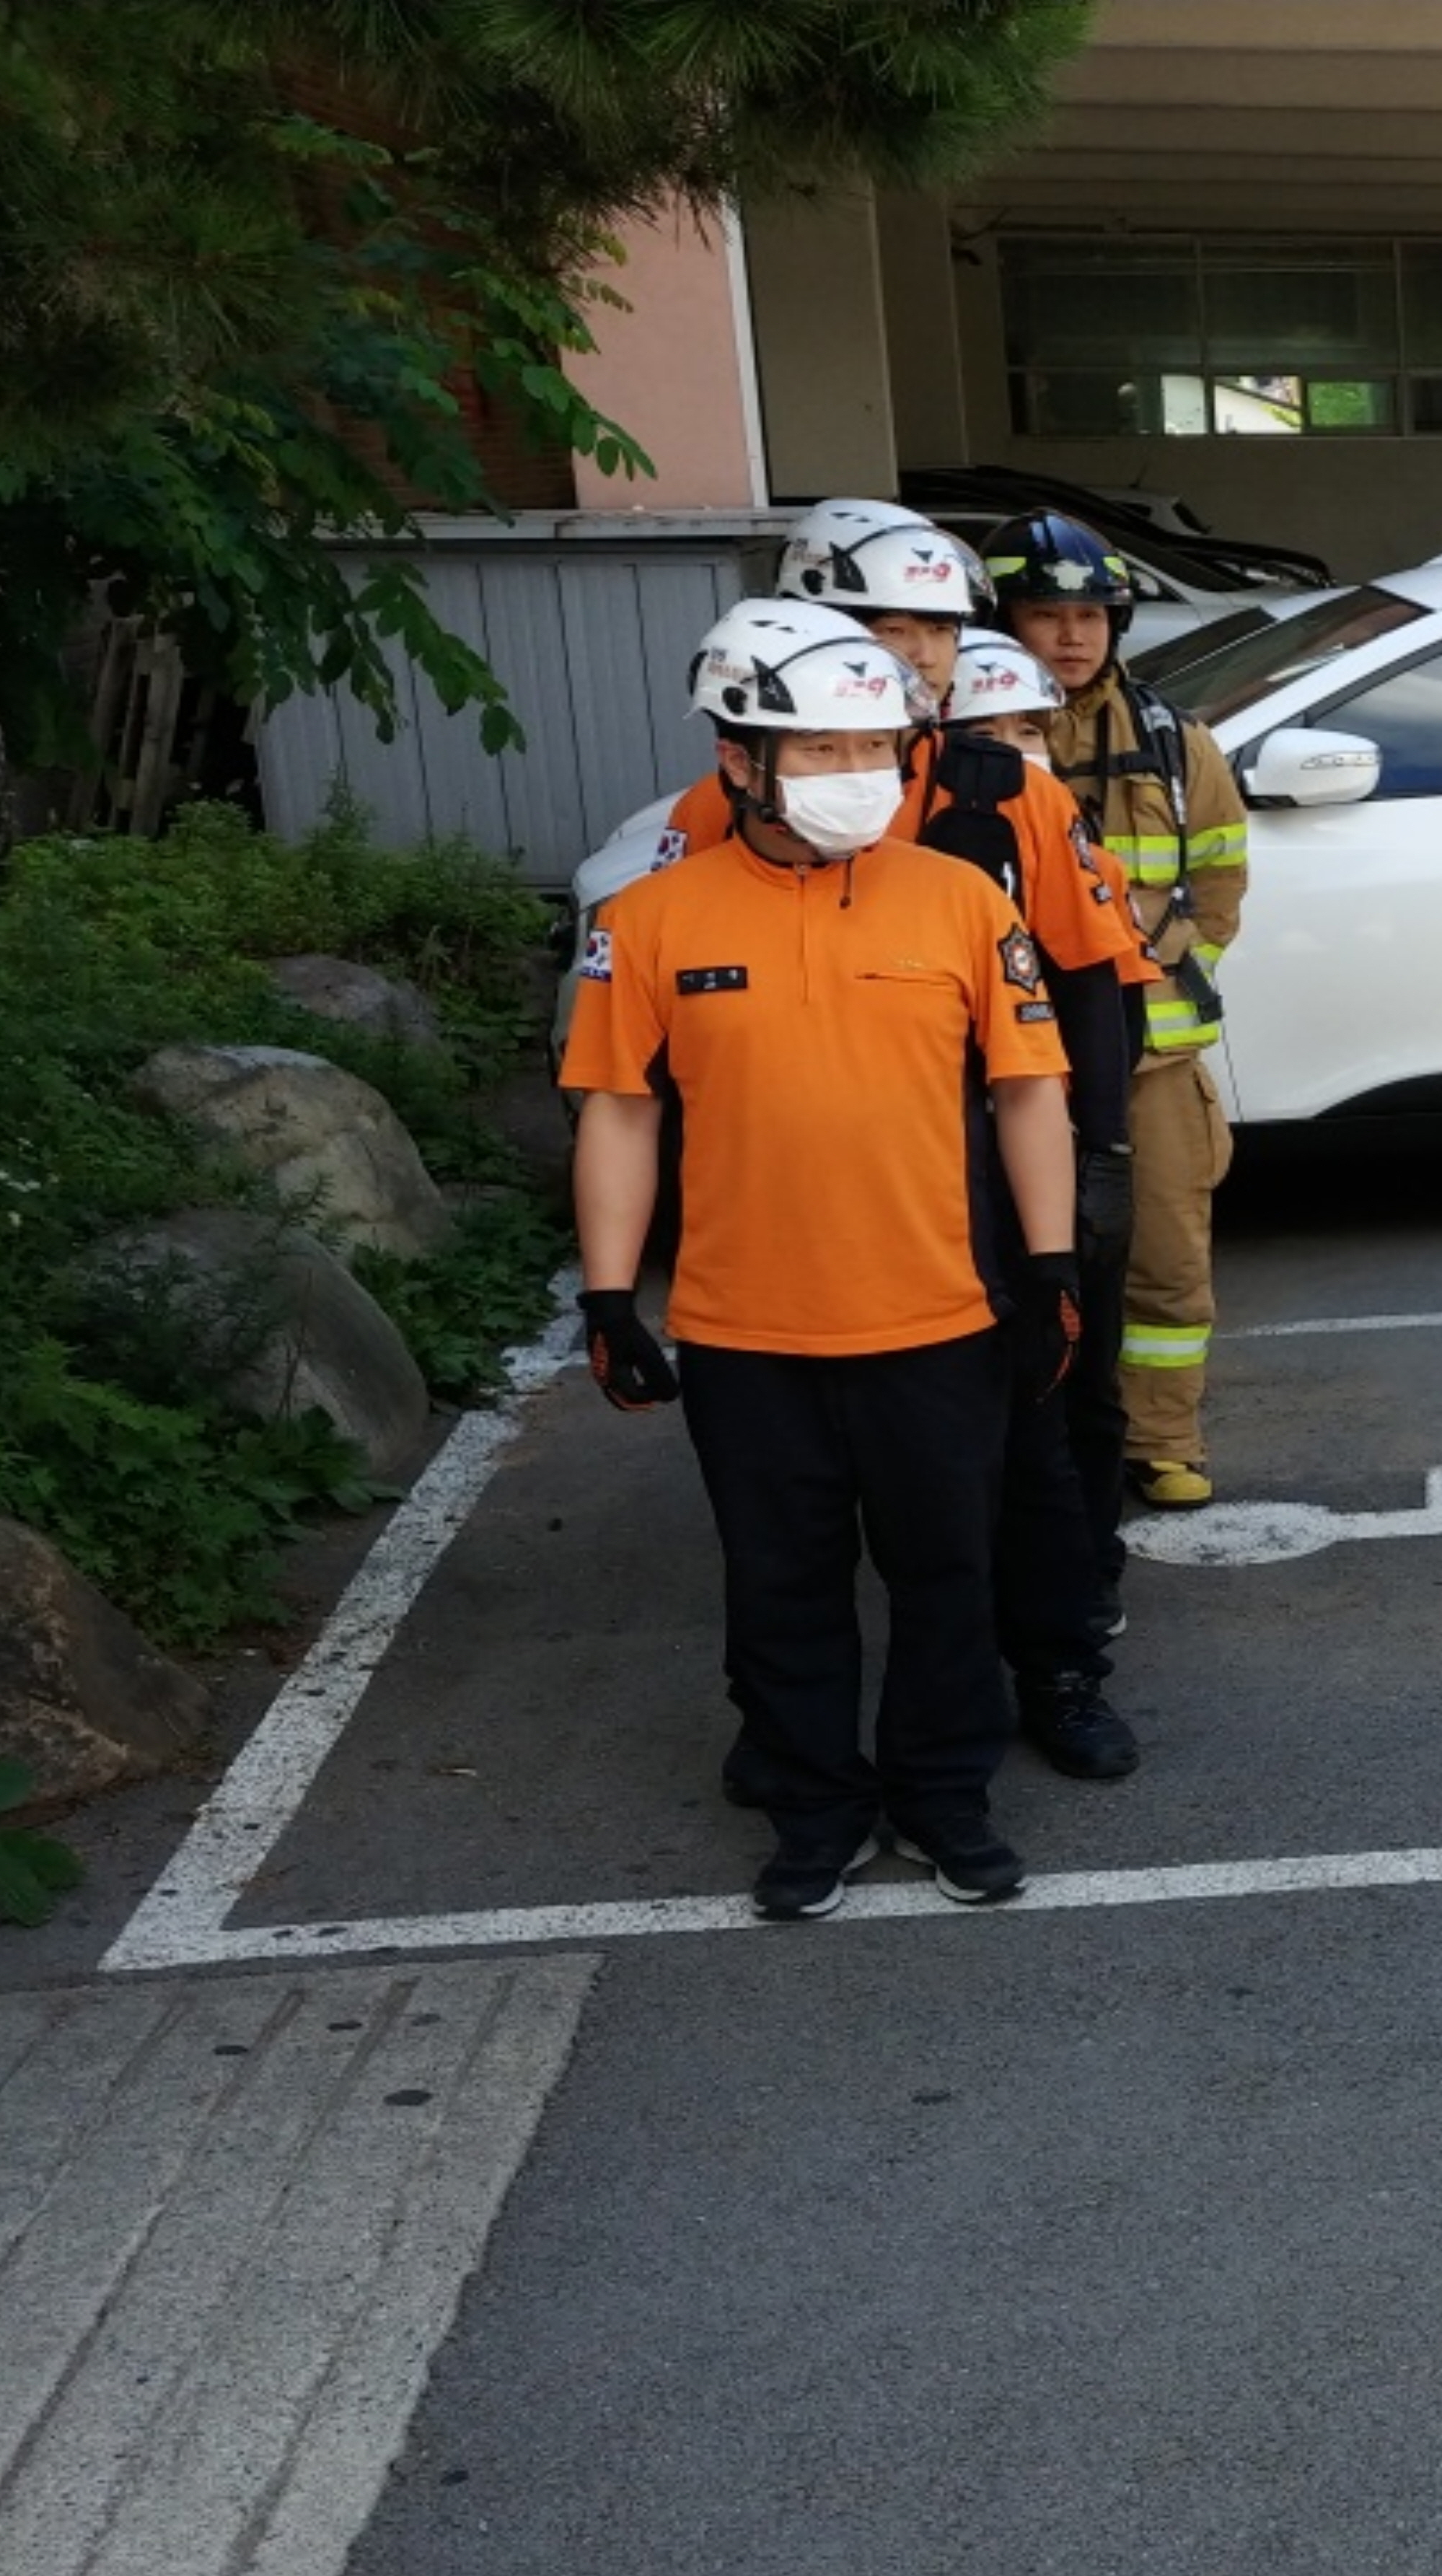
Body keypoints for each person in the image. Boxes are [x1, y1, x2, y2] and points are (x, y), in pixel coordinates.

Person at [563, 599, 1081, 1921]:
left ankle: (944, 1795)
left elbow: (1030, 1090)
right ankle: (815, 1808)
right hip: (746, 1332)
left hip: (940, 1317)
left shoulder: (961, 900)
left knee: (948, 1576)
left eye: (877, 750)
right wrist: (611, 1296)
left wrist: (1051, 1269)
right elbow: (619, 1111)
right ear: (738, 760)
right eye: (823, 750)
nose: (861, 775)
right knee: (780, 1589)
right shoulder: (652, 918)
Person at [989, 509, 1254, 1513]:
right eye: (1045, 614)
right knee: (1015, 1264)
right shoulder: (964, 740)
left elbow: (1219, 879)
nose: (1072, 635)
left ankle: (1161, 1441)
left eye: (1091, 615)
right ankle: (1021, 1445)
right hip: (1012, 1066)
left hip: (1152, 1063)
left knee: (1166, 1267)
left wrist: (1161, 978)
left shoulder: (1173, 740)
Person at [929, 627, 1157, 1779]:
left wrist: (1102, 1151)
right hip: (916, 1159)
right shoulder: (865, 816)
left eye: (1030, 728)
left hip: (1036, 1141)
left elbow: (1101, 993)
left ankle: (1071, 1622)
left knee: (1067, 1398)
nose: (1014, 747)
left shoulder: (1040, 818)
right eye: (989, 730)